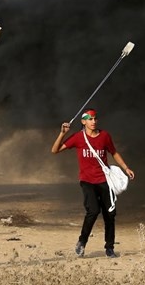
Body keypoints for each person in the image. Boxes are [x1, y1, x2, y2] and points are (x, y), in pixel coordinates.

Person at [51, 108, 135, 258]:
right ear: (83, 122)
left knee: (110, 214)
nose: (93, 121)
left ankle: (109, 248)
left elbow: (113, 152)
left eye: (95, 118)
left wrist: (126, 168)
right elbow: (54, 150)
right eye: (90, 119)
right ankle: (81, 242)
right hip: (87, 181)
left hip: (104, 180)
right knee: (93, 211)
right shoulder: (78, 138)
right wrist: (62, 133)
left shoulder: (104, 136)